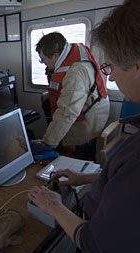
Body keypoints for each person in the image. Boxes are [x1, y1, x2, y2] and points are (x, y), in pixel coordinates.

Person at [29, 0, 140, 253]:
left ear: (137, 66)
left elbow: (101, 251)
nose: (109, 74)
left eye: (111, 67)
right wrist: (91, 177)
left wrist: (54, 207)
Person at [35, 32, 110, 160]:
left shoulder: (76, 73)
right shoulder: (70, 55)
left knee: (81, 160)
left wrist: (47, 142)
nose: (43, 63)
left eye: (44, 60)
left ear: (55, 56)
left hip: (88, 123)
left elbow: (67, 112)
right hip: (90, 108)